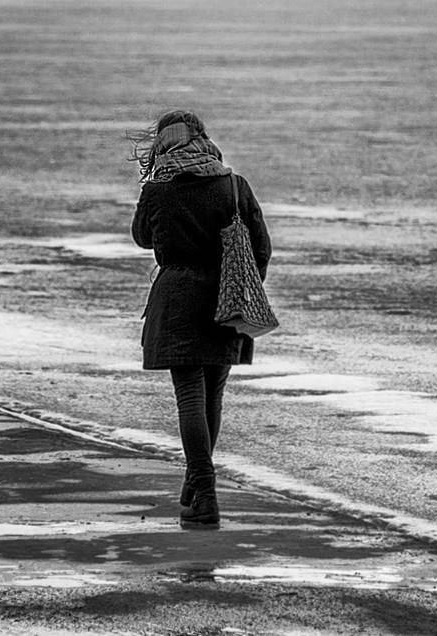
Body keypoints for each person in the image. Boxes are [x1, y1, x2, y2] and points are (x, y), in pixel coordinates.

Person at [130, 110, 271, 529]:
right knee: (212, 395)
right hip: (225, 299)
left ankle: (204, 492)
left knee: (190, 396)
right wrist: (242, 288)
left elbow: (141, 237)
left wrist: (152, 187)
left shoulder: (159, 188)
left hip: (176, 300)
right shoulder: (233, 185)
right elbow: (261, 247)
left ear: (162, 143)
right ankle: (198, 486)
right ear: (202, 138)